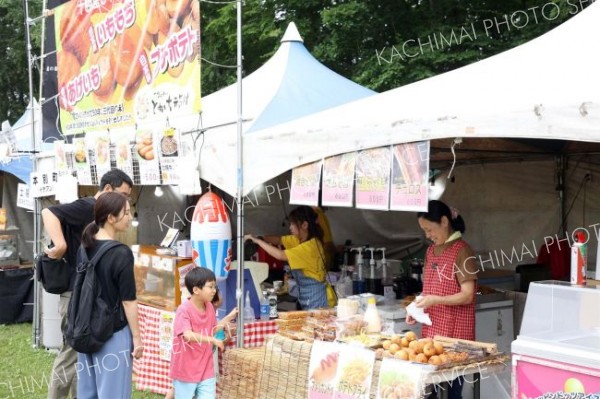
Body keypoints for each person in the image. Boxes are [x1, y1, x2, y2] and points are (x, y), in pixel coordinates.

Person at [43, 169, 133, 399]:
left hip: (87, 299)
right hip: (76, 296)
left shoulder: (99, 236)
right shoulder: (89, 206)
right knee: (70, 353)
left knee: (83, 363)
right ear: (107, 190)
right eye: (123, 195)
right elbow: (48, 211)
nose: (125, 202)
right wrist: (61, 244)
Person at [406, 200, 478, 399]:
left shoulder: (463, 251)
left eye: (430, 229)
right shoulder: (430, 251)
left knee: (451, 393)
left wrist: (434, 300)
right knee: (430, 393)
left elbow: (467, 295)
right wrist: (416, 309)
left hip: (456, 336)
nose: (428, 235)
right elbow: (429, 289)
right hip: (432, 335)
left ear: (444, 221)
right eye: (424, 231)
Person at [75, 191, 142, 398]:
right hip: (112, 333)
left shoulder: (84, 247)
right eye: (127, 213)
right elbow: (128, 301)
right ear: (111, 218)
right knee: (114, 394)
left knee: (88, 393)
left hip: (85, 328)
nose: (130, 218)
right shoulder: (121, 252)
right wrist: (137, 339)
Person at [245, 205, 331, 310]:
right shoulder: (300, 239)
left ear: (304, 225)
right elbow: (280, 240)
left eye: (293, 224)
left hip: (317, 301)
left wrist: (257, 241)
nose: (290, 227)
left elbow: (281, 255)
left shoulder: (310, 247)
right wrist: (261, 237)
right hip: (307, 297)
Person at [169, 267, 238, 399]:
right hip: (186, 369)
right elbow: (188, 335)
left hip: (206, 367)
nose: (214, 290)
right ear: (196, 290)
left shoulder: (210, 307)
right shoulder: (183, 310)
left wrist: (230, 316)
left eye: (215, 286)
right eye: (211, 286)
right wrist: (212, 340)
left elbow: (212, 329)